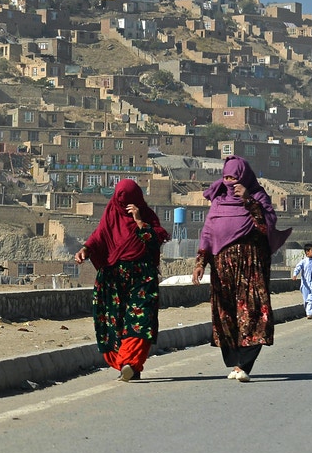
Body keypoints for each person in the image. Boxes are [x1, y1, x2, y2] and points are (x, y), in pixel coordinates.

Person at [191, 156, 291, 382]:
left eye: (234, 177)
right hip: (222, 268)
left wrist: (248, 200)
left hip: (251, 267)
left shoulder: (258, 196)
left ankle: (244, 364)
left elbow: (267, 226)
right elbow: (208, 233)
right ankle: (235, 363)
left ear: (244, 177)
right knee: (226, 315)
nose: (229, 182)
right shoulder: (218, 201)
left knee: (253, 312)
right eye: (226, 177)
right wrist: (200, 263)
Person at [75, 178, 170, 381]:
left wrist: (138, 221)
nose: (124, 205)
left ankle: (130, 363)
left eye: (130, 200)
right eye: (121, 201)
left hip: (143, 278)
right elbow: (99, 236)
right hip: (113, 278)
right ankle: (126, 366)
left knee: (140, 321)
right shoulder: (110, 215)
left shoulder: (147, 216)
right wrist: (85, 249)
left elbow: (157, 238)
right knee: (114, 323)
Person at [292, 243, 312, 319]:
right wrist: (295, 274)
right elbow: (298, 268)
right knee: (306, 299)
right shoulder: (303, 261)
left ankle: (309, 312)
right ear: (307, 252)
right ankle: (308, 312)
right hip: (305, 284)